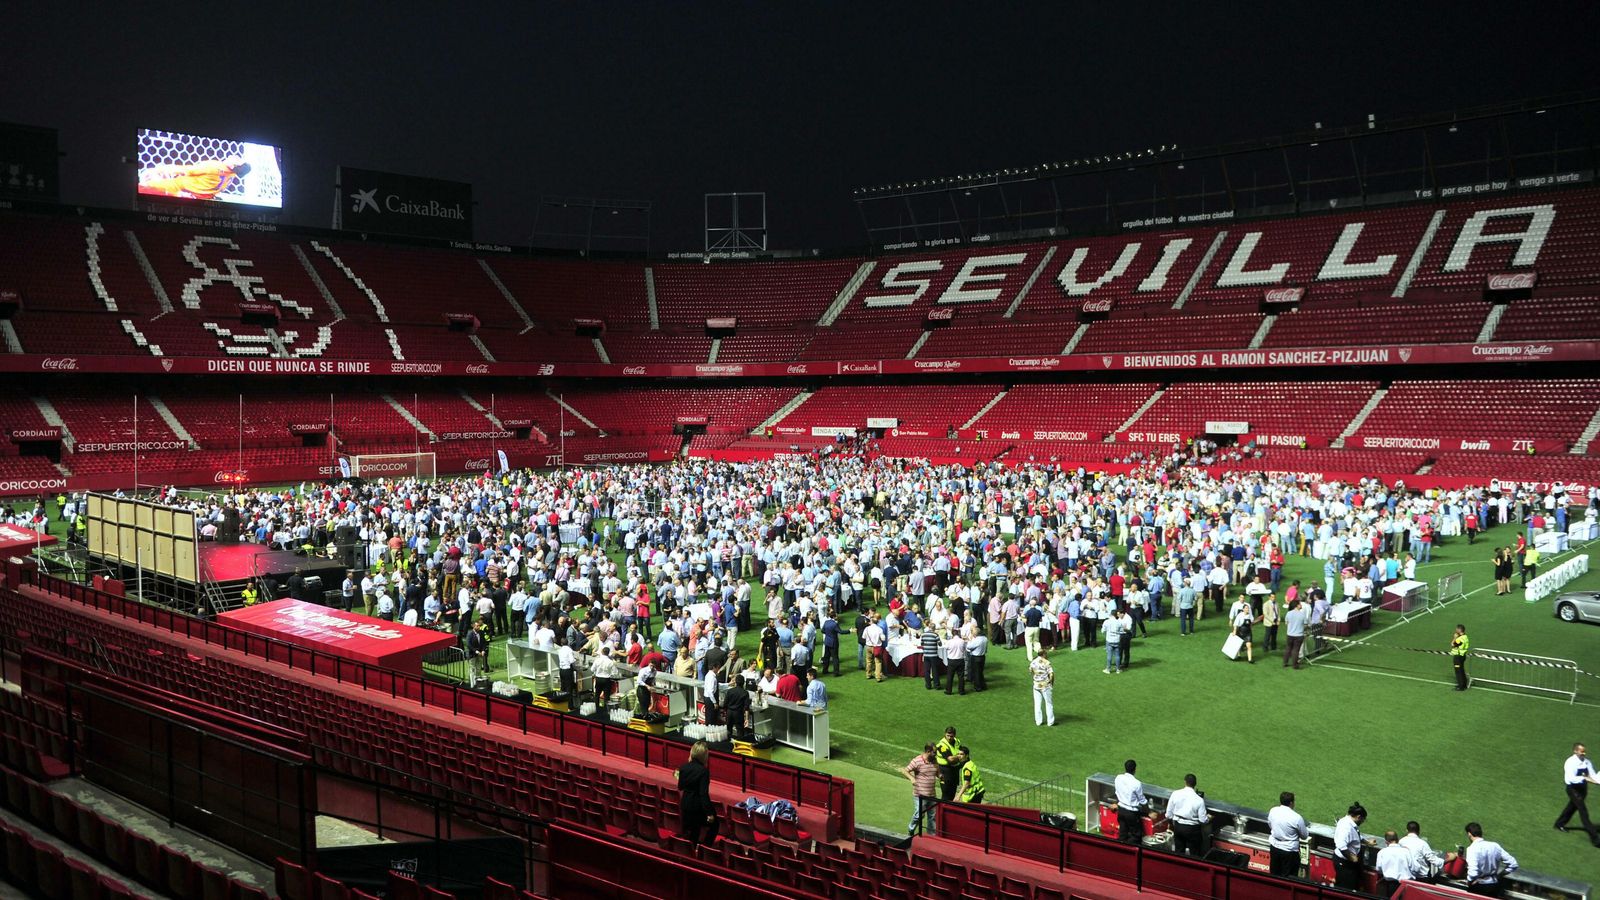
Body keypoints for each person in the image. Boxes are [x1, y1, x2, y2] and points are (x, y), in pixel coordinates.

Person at [1555, 742, 1600, 847]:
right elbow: (1571, 779)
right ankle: (1595, 839)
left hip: (1582, 790)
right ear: (1575, 751)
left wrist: (1597, 780)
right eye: (1581, 751)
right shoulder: (1570, 762)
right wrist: (1585, 778)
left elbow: (1593, 775)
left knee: (1572, 807)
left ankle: (1559, 824)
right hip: (1573, 789)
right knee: (1583, 812)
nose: (1583, 753)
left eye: (1584, 751)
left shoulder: (1587, 762)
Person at [675, 740, 719, 847]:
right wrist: (709, 813)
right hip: (697, 808)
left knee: (691, 834)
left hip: (685, 805)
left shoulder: (683, 768)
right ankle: (706, 848)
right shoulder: (704, 771)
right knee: (715, 824)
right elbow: (703, 794)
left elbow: (680, 787)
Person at [1463, 821, 1517, 896]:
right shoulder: (1495, 846)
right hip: (1494, 886)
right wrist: (1499, 875)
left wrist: (1469, 881)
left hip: (1479, 887)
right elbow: (1513, 864)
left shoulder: (1472, 849)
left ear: (1469, 834)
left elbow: (1473, 873)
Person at [1165, 773, 1209, 857]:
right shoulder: (1199, 800)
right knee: (1195, 855)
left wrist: (1172, 823)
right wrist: (1208, 819)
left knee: (1179, 853)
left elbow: (1168, 815)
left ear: (1185, 782)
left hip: (1178, 827)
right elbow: (1203, 820)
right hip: (1193, 830)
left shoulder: (1175, 794)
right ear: (1195, 784)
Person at [1267, 792, 1308, 878]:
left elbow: (1270, 824)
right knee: (1288, 878)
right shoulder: (1296, 818)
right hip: (1289, 851)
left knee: (1274, 875)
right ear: (1291, 803)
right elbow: (1304, 836)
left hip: (1274, 847)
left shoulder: (1273, 810)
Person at [904, 744, 940, 836]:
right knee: (919, 815)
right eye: (934, 752)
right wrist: (912, 779)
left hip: (932, 794)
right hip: (920, 795)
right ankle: (911, 829)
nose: (936, 754)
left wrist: (940, 776)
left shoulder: (935, 761)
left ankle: (931, 834)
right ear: (928, 752)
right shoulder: (917, 761)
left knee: (932, 816)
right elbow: (905, 770)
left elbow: (937, 773)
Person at [1332, 802, 1368, 890]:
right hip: (1344, 863)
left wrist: (1366, 841)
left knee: (1352, 885)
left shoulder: (1348, 821)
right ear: (1358, 817)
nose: (1362, 822)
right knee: (1346, 888)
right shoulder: (1346, 827)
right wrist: (1351, 857)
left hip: (1348, 862)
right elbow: (1341, 844)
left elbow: (1355, 834)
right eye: (1363, 820)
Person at [1375, 830, 1419, 898]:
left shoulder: (1382, 852)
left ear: (1386, 842)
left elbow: (1378, 868)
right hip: (1406, 885)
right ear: (1398, 840)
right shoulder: (1406, 851)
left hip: (1391, 885)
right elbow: (1416, 868)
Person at [1113, 759, 1148, 844]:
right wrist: (1148, 811)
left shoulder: (1118, 777)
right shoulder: (1136, 783)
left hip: (1121, 810)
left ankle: (1120, 851)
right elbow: (1142, 800)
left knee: (1123, 834)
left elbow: (1117, 792)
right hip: (1131, 813)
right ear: (1135, 769)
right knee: (1136, 836)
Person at [1030, 648, 1056, 727]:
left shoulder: (1033, 662)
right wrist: (1051, 683)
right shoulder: (1047, 663)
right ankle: (1050, 722)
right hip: (1045, 686)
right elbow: (1051, 674)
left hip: (1036, 686)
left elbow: (1031, 671)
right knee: (1048, 704)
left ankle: (1038, 721)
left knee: (1037, 704)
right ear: (1044, 654)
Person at [935, 727, 961, 803]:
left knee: (952, 794)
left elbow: (962, 753)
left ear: (955, 735)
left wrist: (956, 758)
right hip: (945, 771)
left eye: (951, 736)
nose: (949, 738)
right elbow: (950, 760)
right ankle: (940, 813)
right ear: (945, 734)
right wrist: (959, 757)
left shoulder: (957, 741)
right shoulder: (941, 745)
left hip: (954, 771)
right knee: (946, 795)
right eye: (948, 735)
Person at [1282, 597, 1308, 669]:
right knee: (1296, 650)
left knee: (1288, 648)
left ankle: (1285, 662)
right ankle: (1295, 665)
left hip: (1290, 634)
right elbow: (1305, 625)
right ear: (1297, 605)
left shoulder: (1288, 613)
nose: (1301, 605)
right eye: (1299, 604)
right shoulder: (1302, 615)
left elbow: (1286, 623)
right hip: (1299, 635)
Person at [465, 620, 489, 687]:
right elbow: (468, 645)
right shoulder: (470, 634)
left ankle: (478, 682)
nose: (478, 627)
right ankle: (471, 683)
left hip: (480, 654)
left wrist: (483, 650)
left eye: (479, 626)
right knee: (472, 669)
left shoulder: (481, 632)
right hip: (472, 654)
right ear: (473, 626)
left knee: (478, 669)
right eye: (477, 626)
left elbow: (484, 642)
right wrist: (476, 651)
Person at [1450, 624, 1470, 691]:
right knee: (1461, 670)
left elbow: (1453, 645)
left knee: (1458, 671)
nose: (1455, 630)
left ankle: (1460, 686)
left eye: (1457, 629)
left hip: (1458, 657)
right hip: (1462, 656)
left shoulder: (1460, 639)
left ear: (1459, 630)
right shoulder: (1465, 637)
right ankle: (1464, 684)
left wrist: (1455, 638)